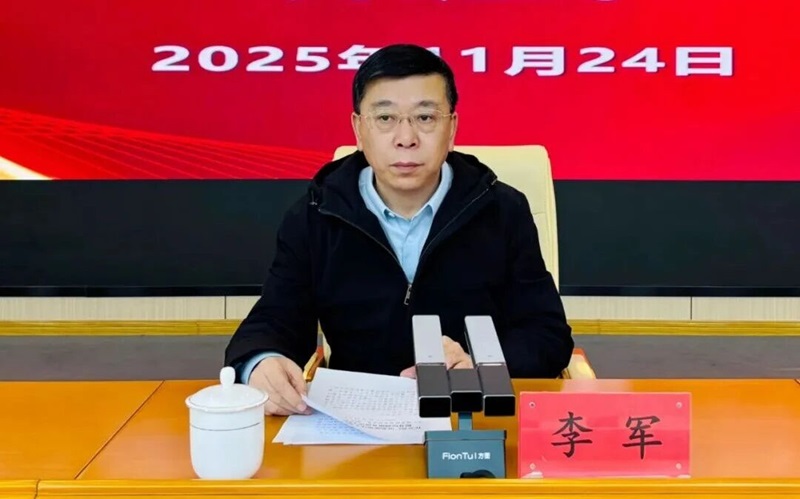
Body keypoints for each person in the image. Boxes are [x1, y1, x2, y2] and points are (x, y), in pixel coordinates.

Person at [224, 43, 574, 416]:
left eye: (425, 117)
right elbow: (274, 319)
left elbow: (546, 334)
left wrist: (477, 363)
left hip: (469, 415)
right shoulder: (316, 214)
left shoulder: (503, 210)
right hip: (354, 423)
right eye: (386, 118)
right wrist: (261, 362)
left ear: (451, 128)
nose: (406, 138)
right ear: (359, 129)